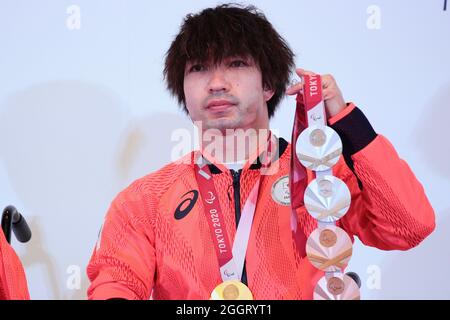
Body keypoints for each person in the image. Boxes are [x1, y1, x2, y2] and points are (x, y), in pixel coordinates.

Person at [86, 4, 435, 300]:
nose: (217, 82)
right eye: (198, 68)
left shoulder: (321, 182)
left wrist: (347, 121)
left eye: (235, 63)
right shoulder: (144, 200)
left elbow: (408, 226)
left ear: (269, 85)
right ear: (184, 91)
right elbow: (115, 285)